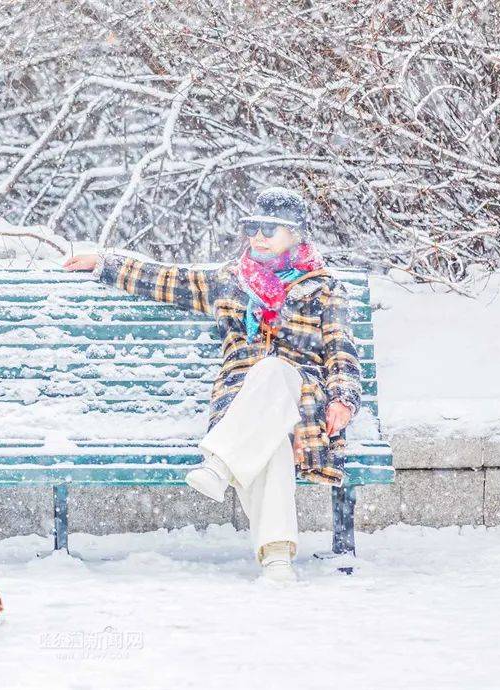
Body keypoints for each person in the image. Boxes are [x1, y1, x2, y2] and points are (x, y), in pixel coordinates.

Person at [62, 187, 361, 582]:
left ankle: (219, 463)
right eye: (253, 227)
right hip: (241, 402)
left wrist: (343, 397)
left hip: (300, 397)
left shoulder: (323, 287)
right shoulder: (230, 281)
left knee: (274, 371)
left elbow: (340, 347)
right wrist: (105, 262)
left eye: (269, 229)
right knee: (268, 443)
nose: (257, 236)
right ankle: (277, 560)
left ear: (296, 234)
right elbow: (166, 278)